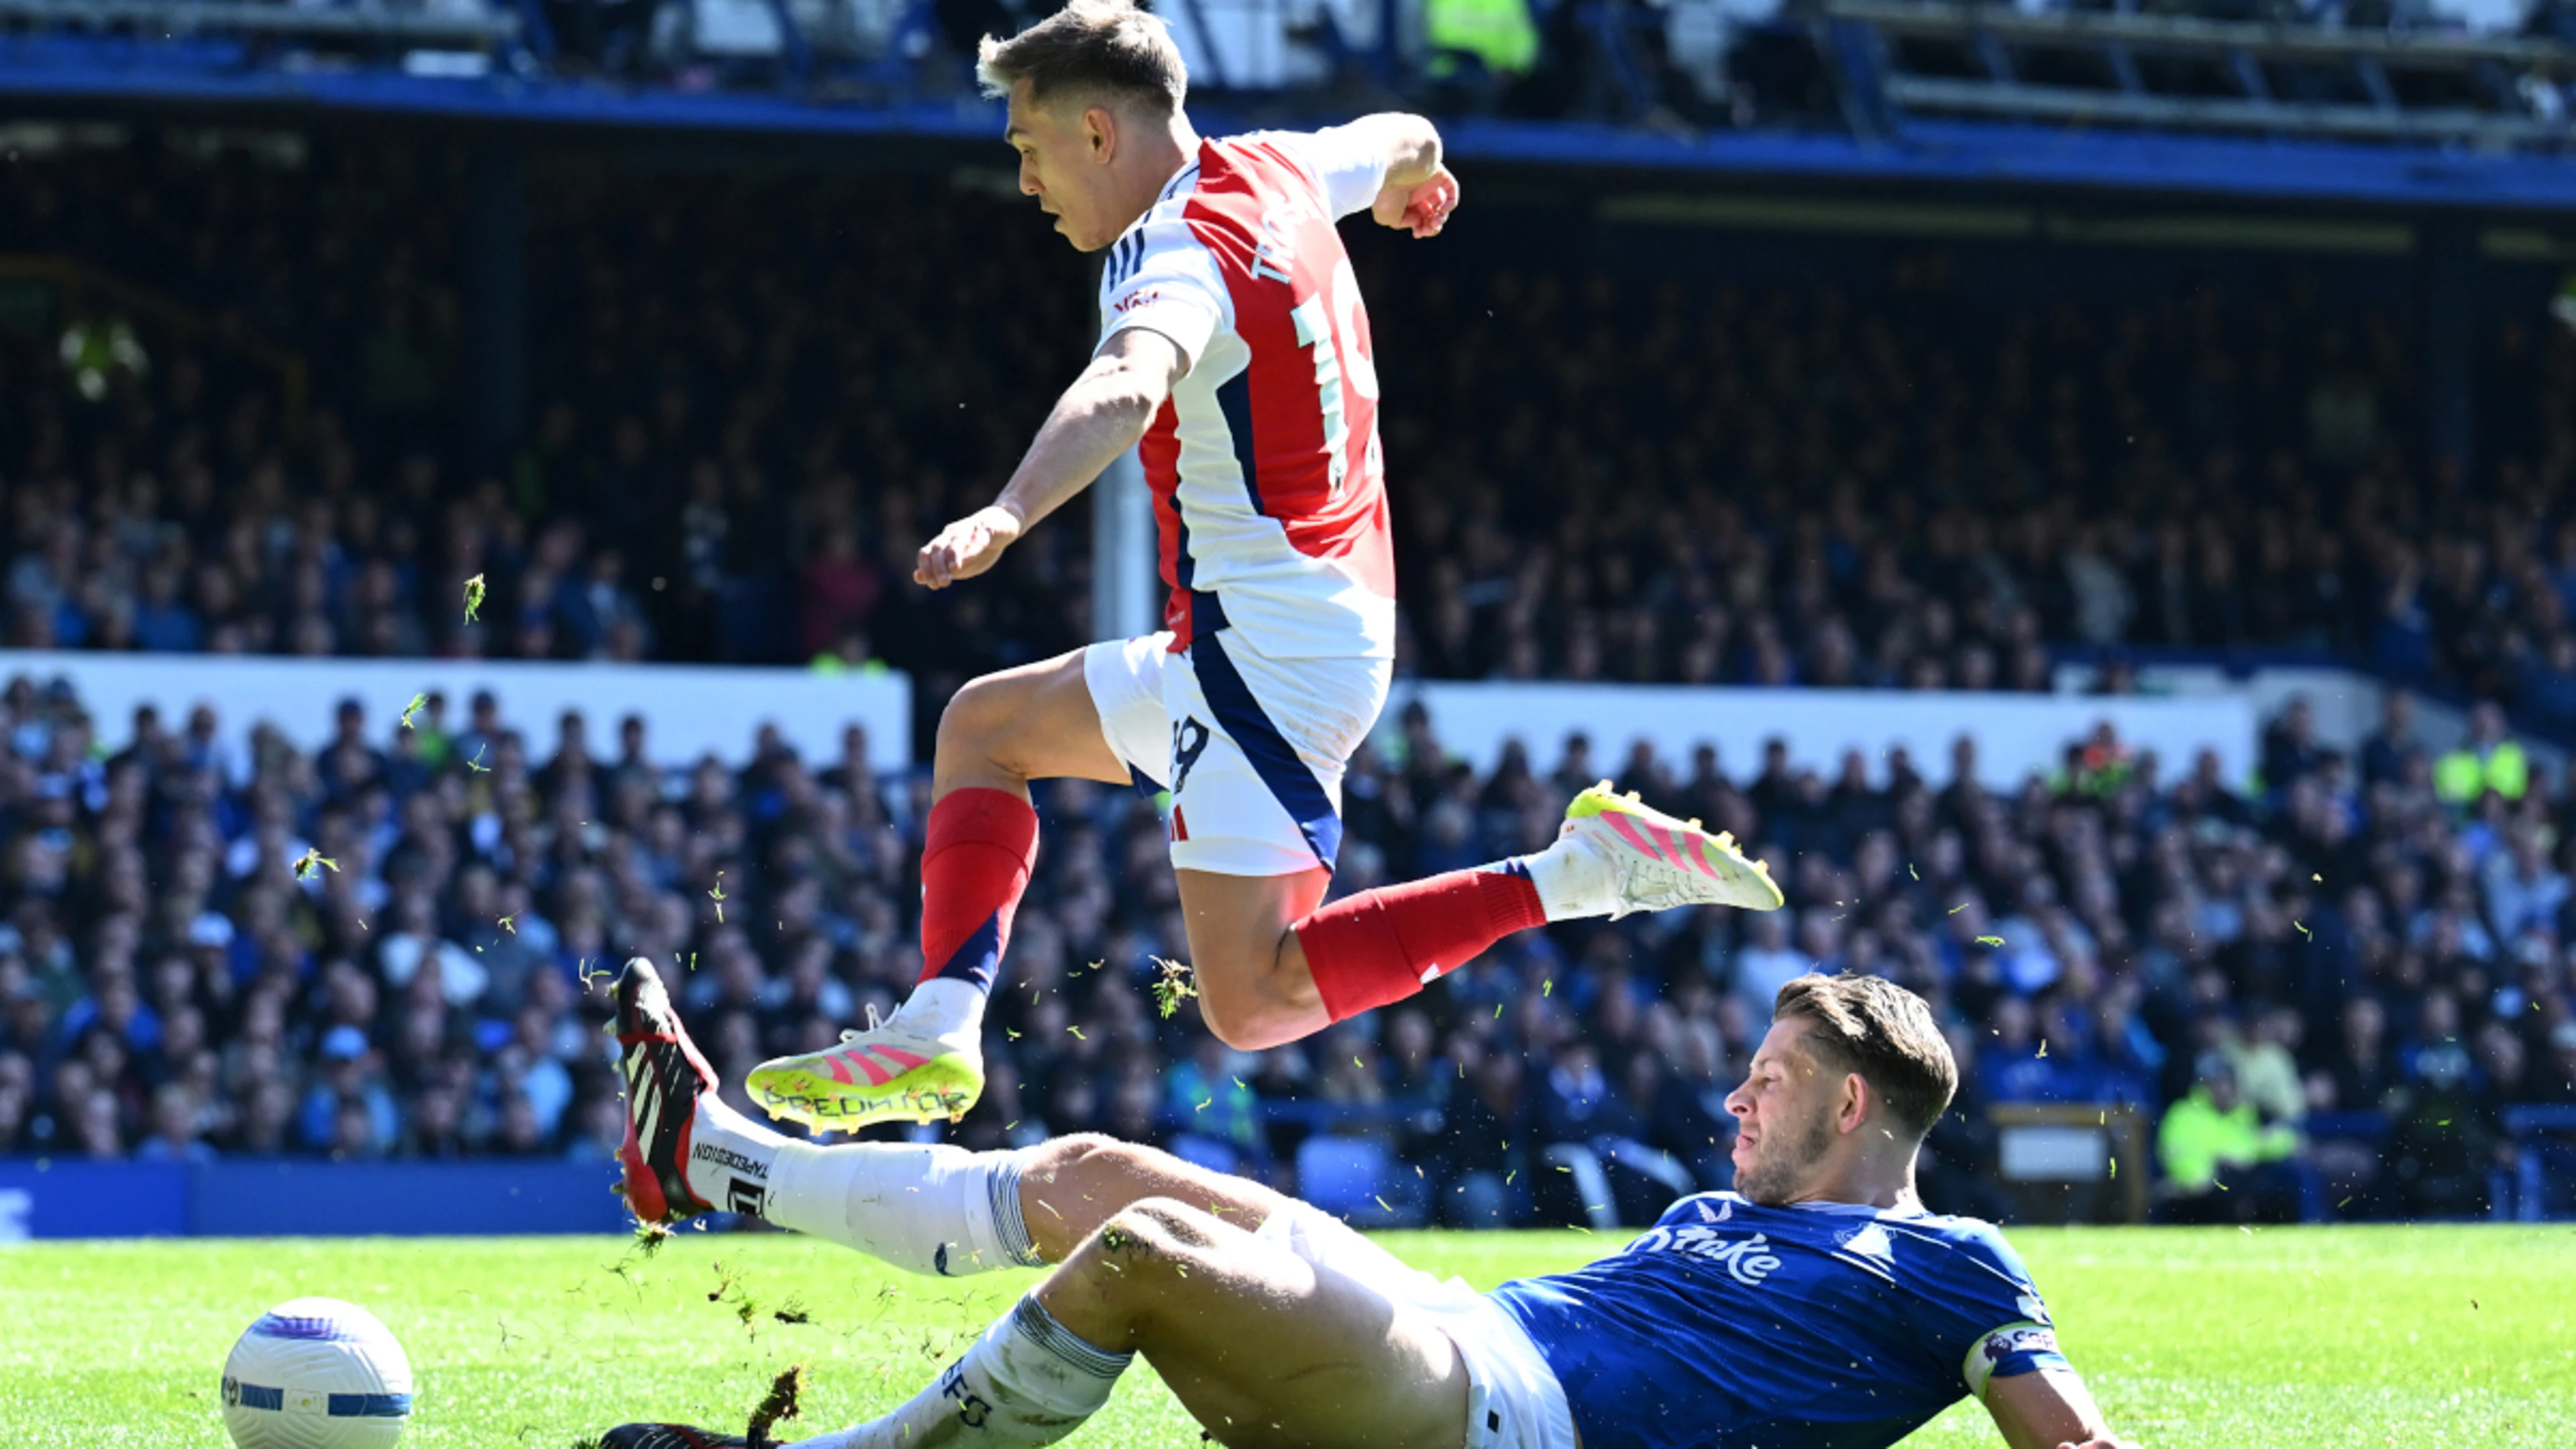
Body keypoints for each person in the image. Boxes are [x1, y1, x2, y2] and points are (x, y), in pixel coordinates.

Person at [745, 0, 1778, 1134]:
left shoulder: (1170, 253)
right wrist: (1412, 180)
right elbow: (1404, 131)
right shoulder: (1281, 166)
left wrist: (1007, 512)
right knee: (984, 730)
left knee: (1255, 999)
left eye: (1030, 150)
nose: (1028, 183)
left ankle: (1583, 874)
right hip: (1288, 630)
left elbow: (1127, 385)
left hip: (1265, 656)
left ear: (1099, 132)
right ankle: (940, 1026)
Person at [605, 959, 2137, 1449]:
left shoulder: (1948, 1260)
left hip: (1497, 1411)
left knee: (1141, 1256)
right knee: (1098, 1173)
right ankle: (724, 1161)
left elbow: (2074, 1445)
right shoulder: (1712, 1210)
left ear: (1852, 1106)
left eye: (1770, 1079)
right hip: (1454, 1328)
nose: (1737, 1097)